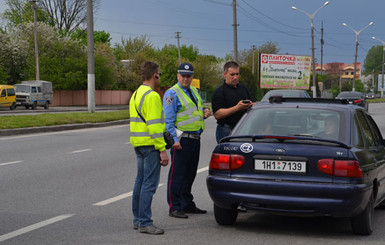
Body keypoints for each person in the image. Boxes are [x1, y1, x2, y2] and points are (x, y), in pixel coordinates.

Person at [163, 62, 211, 219]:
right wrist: (173, 141)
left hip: (195, 139)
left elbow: (193, 111)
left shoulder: (194, 92)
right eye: (183, 76)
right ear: (178, 76)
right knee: (177, 175)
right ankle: (175, 206)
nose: (185, 78)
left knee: (190, 174)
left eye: (188, 76)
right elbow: (169, 121)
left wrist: (203, 113)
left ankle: (186, 203)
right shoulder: (172, 94)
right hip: (181, 140)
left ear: (192, 77)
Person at [129, 61, 169, 235]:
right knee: (149, 185)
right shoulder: (152, 96)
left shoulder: (136, 93)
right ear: (155, 75)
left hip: (138, 144)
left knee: (140, 181)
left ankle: (138, 220)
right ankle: (145, 222)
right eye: (159, 74)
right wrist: (162, 149)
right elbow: (154, 126)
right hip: (151, 145)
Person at [211, 61, 254, 143]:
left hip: (243, 129)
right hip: (226, 130)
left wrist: (251, 104)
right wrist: (237, 108)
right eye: (232, 74)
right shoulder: (219, 92)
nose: (235, 77)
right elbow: (217, 114)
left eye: (237, 74)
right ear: (225, 74)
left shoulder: (243, 88)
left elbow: (254, 102)